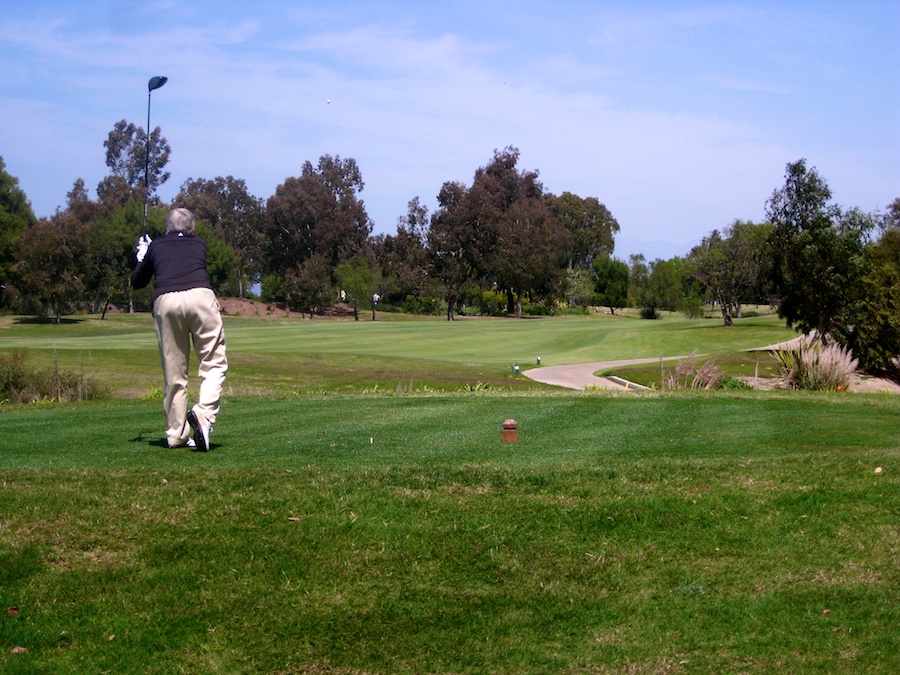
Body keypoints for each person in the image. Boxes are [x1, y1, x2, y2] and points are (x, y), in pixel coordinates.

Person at [132, 208, 228, 451]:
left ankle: (176, 434)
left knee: (175, 373)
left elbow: (138, 282)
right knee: (213, 362)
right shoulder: (200, 244)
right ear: (192, 228)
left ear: (167, 228)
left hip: (166, 302)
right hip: (200, 298)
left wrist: (143, 256)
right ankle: (204, 414)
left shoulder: (157, 246)